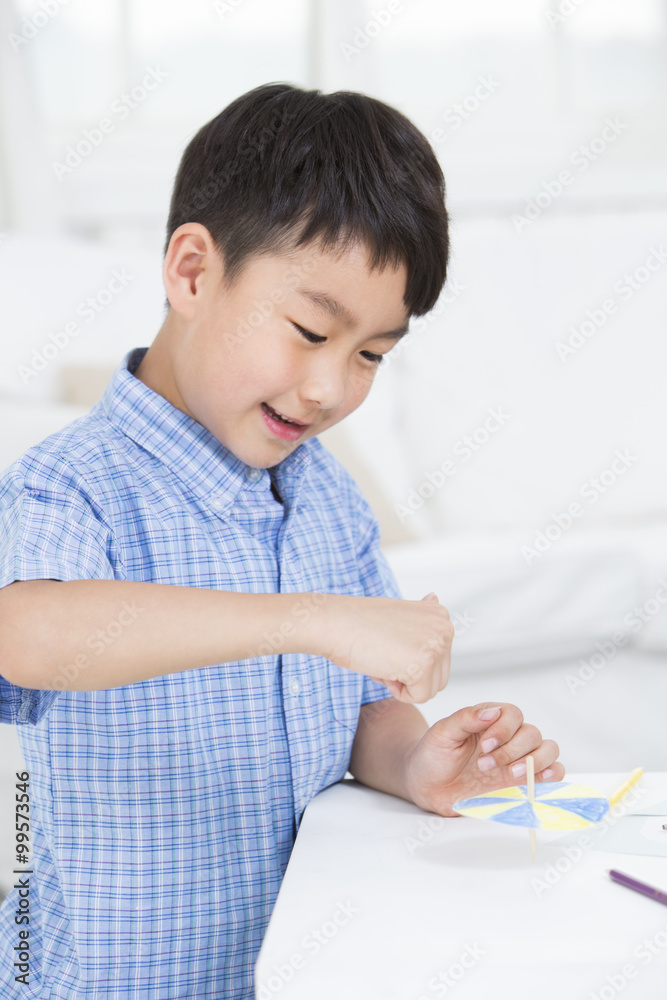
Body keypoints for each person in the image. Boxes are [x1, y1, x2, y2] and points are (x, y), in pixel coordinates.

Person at [0, 82, 562, 999]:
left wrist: (417, 762)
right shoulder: (75, 481)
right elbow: (30, 635)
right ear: (191, 273)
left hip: (292, 972)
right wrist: (309, 618)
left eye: (371, 354)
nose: (331, 387)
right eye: (310, 331)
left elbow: (362, 710)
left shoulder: (326, 497)